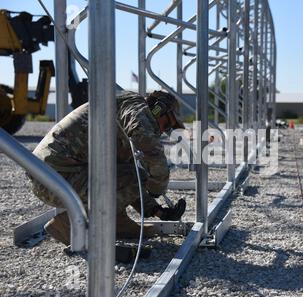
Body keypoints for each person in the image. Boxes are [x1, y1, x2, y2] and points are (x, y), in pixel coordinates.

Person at [28, 90, 187, 246]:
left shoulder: (122, 112)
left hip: (55, 177)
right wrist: (159, 183)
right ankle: (70, 225)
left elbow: (128, 179)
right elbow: (145, 140)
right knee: (132, 175)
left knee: (128, 173)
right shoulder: (135, 105)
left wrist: (158, 210)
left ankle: (118, 223)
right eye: (166, 124)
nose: (164, 131)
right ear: (158, 109)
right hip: (54, 180)